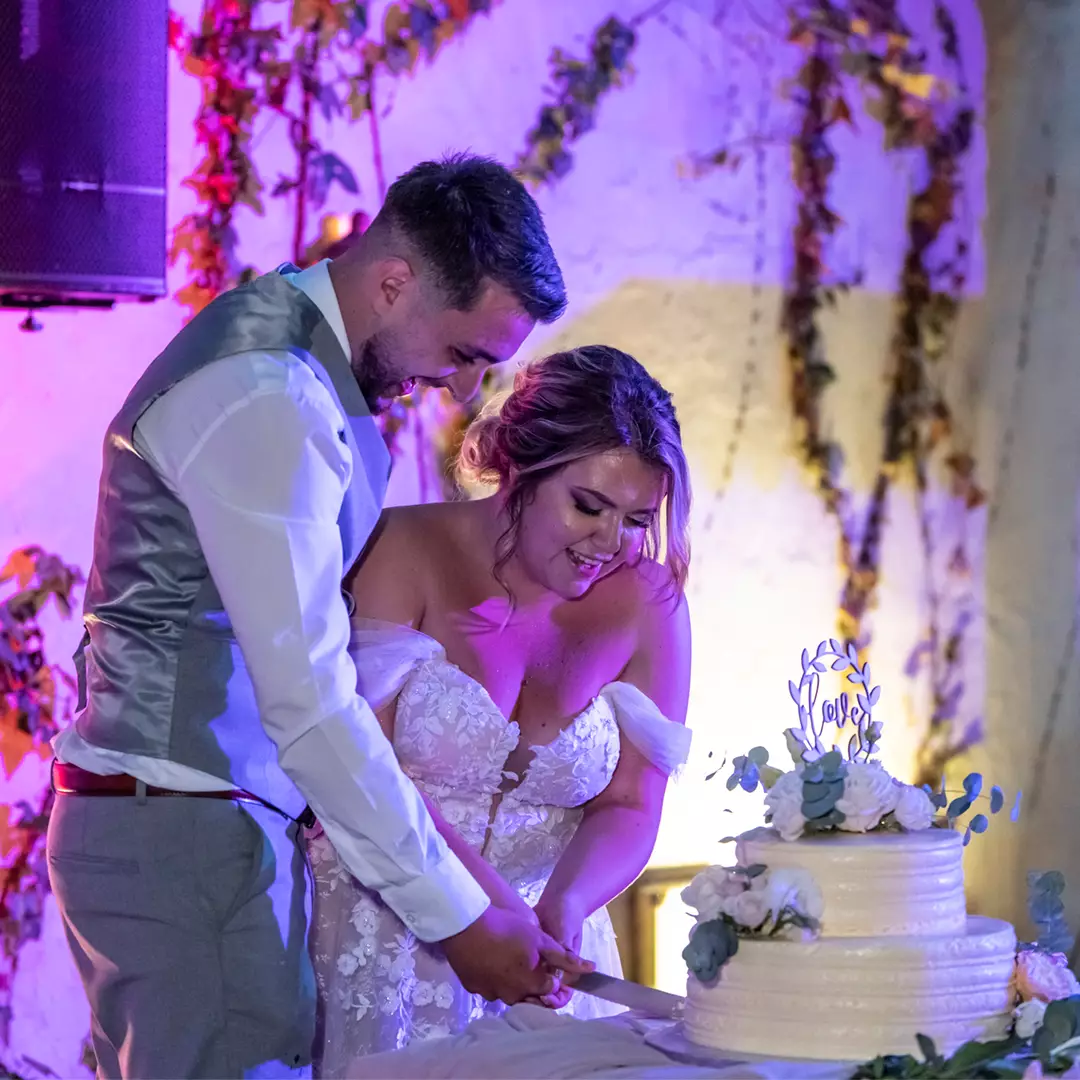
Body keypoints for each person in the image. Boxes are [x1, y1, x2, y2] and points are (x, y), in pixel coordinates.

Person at [45, 153, 592, 1080]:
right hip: (183, 836)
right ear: (393, 282)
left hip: (195, 826)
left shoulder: (288, 364)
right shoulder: (272, 395)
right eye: (465, 355)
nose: (463, 393)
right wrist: (455, 920)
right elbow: (309, 699)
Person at [309, 345, 694, 1073]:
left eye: (638, 518)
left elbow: (632, 804)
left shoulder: (651, 605)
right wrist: (486, 916)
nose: (609, 544)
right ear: (517, 465)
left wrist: (567, 905)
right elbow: (362, 774)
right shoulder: (400, 548)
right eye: (588, 505)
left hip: (551, 962)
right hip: (382, 930)